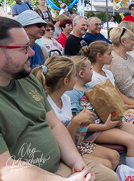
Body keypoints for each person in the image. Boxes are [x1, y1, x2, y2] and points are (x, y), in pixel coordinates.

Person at [0, 16, 116, 181]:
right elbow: (6, 170)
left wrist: (77, 162)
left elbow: (54, 125)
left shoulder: (27, 79)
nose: (32, 53)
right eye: (24, 48)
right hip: (31, 177)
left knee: (110, 177)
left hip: (61, 165)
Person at [31, 56, 120, 170]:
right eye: (74, 76)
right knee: (106, 165)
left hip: (74, 143)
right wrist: (76, 121)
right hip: (58, 152)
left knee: (114, 156)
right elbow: (56, 141)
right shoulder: (45, 104)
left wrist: (82, 125)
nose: (76, 79)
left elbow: (74, 136)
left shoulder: (66, 98)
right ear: (66, 81)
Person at [66, 56, 134, 170]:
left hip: (104, 123)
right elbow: (76, 125)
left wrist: (115, 118)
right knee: (132, 141)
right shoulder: (73, 94)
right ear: (81, 73)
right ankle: (132, 173)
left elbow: (103, 108)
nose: (92, 71)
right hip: (91, 132)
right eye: (90, 69)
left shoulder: (90, 86)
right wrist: (105, 126)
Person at [81, 41, 134, 148]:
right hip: (114, 112)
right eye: (109, 54)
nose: (112, 57)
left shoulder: (108, 73)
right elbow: (108, 105)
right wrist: (132, 106)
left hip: (120, 106)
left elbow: (118, 94)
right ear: (99, 56)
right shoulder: (94, 79)